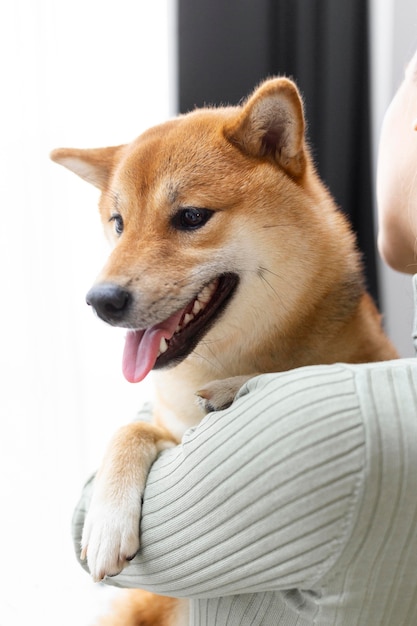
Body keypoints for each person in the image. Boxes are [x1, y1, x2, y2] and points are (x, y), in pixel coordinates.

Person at [72, 53, 417, 625]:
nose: (114, 277)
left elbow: (89, 532)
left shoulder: (356, 429)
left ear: (277, 140)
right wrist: (135, 441)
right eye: (120, 225)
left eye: (188, 219)